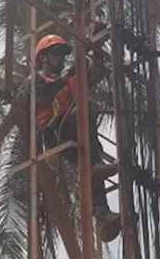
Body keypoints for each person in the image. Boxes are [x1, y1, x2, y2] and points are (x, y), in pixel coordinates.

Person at [30, 34, 122, 241]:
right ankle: (95, 173)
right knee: (84, 108)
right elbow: (43, 94)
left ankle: (102, 214)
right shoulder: (38, 80)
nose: (60, 60)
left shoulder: (69, 80)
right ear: (43, 58)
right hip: (56, 133)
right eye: (55, 55)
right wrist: (66, 78)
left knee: (92, 164)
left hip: (74, 130)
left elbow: (97, 73)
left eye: (62, 56)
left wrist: (96, 50)